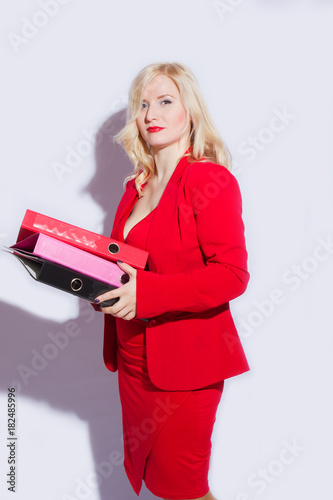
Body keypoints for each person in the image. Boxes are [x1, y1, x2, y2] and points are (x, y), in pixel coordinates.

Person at [94, 62, 250, 500]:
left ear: (191, 114)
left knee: (184, 489)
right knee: (162, 487)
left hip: (186, 367)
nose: (150, 113)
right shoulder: (136, 187)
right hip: (134, 362)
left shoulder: (208, 179)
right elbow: (126, 266)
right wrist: (91, 285)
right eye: (143, 104)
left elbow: (231, 275)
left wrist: (145, 294)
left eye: (165, 101)